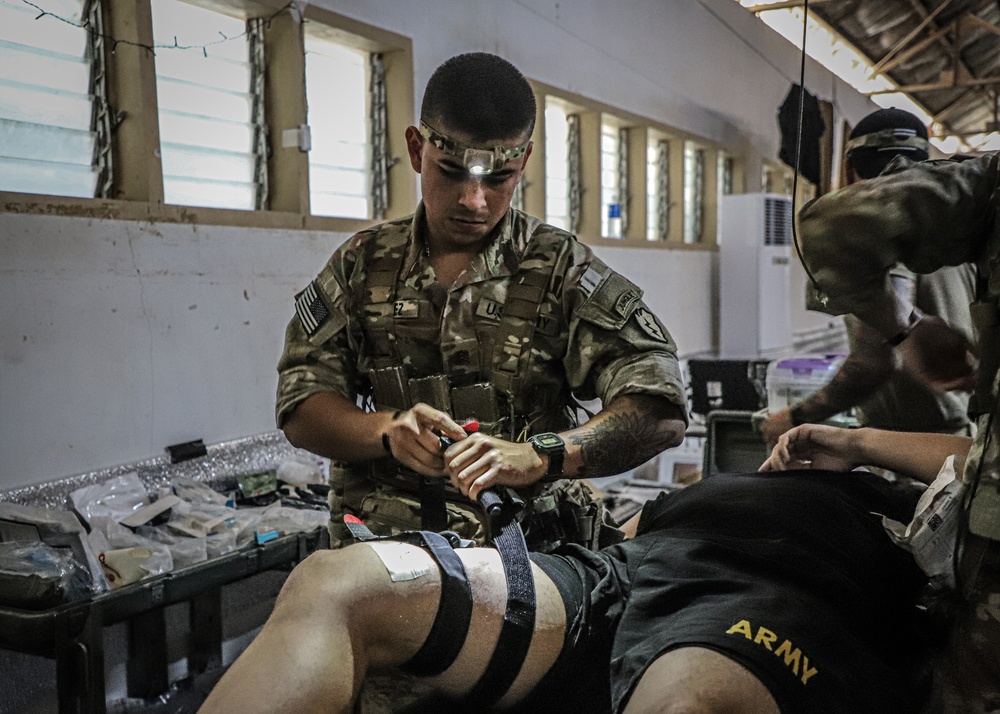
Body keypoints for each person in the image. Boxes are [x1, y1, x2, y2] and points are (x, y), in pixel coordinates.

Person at [275, 51, 688, 552]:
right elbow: (301, 402)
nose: (475, 201)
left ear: (525, 161)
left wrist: (542, 456)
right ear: (415, 147)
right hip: (383, 559)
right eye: (450, 171)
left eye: (499, 178)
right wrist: (387, 431)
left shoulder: (560, 270)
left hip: (529, 566)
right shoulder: (362, 265)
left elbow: (660, 409)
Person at [197, 464, 932, 714]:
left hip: (773, 597)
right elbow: (627, 529)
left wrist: (858, 444)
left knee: (684, 704)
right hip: (624, 568)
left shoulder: (896, 518)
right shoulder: (731, 483)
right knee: (343, 581)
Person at [793, 147, 999, 712]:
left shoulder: (971, 197)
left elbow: (872, 360)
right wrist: (856, 442)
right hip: (948, 449)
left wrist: (904, 330)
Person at [760, 108, 976, 447]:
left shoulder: (880, 238)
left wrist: (792, 418)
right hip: (958, 435)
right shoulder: (958, 230)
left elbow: (875, 359)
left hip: (906, 446)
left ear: (848, 170)